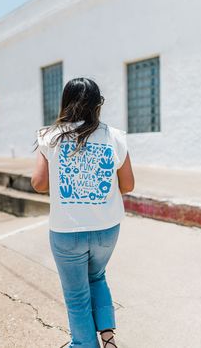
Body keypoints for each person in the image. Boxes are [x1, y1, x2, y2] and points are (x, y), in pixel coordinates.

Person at [31, 77, 135, 347]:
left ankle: (83, 344)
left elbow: (39, 184)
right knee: (97, 276)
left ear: (65, 102)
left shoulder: (49, 136)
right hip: (107, 229)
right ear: (97, 104)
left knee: (77, 296)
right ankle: (108, 338)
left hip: (67, 232)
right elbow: (129, 185)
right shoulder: (114, 136)